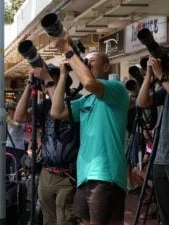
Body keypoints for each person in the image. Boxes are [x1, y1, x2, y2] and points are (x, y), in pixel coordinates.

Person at [50, 34, 129, 225]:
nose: (88, 64)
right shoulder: (86, 99)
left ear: (106, 67)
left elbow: (89, 83)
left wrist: (69, 50)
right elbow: (57, 111)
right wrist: (63, 76)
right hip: (85, 174)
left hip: (105, 174)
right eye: (86, 62)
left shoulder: (116, 89)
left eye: (92, 62)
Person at [14, 64, 79, 225]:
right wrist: (29, 86)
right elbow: (19, 117)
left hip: (69, 175)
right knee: (48, 220)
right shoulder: (45, 106)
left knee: (65, 220)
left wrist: (48, 80)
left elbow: (61, 110)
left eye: (49, 79)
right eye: (43, 81)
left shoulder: (76, 101)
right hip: (46, 173)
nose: (44, 83)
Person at [137, 56, 169, 225]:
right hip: (161, 157)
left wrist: (162, 76)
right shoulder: (164, 88)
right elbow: (142, 102)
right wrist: (148, 77)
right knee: (164, 215)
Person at [5, 101, 26, 175]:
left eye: (11, 110)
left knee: (16, 169)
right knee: (5, 167)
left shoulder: (20, 118)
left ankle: (17, 185)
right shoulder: (8, 118)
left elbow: (16, 125)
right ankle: (7, 184)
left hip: (18, 147)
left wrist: (7, 118)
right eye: (8, 110)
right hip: (8, 145)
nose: (9, 112)